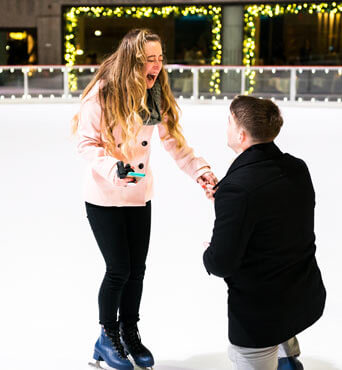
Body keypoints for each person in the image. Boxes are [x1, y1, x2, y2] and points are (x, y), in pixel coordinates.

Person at [73, 29, 217, 370]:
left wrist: (201, 171)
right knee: (118, 269)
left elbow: (175, 143)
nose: (156, 66)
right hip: (105, 195)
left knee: (136, 271)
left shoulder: (156, 95)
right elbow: (85, 143)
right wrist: (113, 168)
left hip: (139, 195)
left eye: (160, 58)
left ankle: (129, 332)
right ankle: (107, 337)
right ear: (132, 62)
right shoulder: (103, 94)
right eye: (148, 60)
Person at [203, 95, 326, 370]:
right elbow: (277, 217)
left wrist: (208, 252)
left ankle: (281, 356)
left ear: (242, 135)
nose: (226, 128)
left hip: (259, 314)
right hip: (303, 294)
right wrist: (228, 201)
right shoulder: (297, 168)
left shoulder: (238, 189)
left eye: (229, 122)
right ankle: (287, 356)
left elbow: (222, 262)